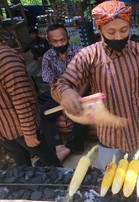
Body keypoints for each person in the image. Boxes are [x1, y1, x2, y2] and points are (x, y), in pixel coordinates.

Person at [50, 0, 139, 169]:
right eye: (111, 32)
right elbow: (63, 82)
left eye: (124, 30)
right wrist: (66, 93)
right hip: (109, 132)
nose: (119, 37)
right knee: (108, 174)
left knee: (138, 174)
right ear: (99, 29)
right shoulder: (88, 56)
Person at [0, 45, 62, 167]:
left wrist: (29, 132)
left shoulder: (5, 58)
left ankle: (64, 185)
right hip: (4, 128)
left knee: (49, 162)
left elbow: (22, 97)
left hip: (21, 126)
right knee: (22, 168)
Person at [41, 24, 87, 162]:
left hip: (81, 92)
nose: (60, 43)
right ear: (49, 41)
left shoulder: (81, 53)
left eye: (62, 40)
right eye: (55, 41)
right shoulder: (47, 57)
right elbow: (51, 83)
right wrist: (63, 101)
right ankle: (58, 146)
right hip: (60, 95)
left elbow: (87, 79)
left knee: (83, 111)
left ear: (68, 38)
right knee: (44, 113)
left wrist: (77, 96)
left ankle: (72, 146)